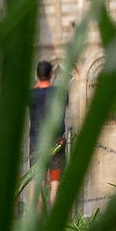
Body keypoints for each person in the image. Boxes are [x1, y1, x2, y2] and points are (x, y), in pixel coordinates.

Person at [29, 59, 69, 189]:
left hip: (37, 141)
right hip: (57, 141)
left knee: (37, 184)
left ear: (36, 75)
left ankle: (35, 209)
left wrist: (36, 87)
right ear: (52, 74)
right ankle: (53, 209)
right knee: (55, 183)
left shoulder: (32, 95)